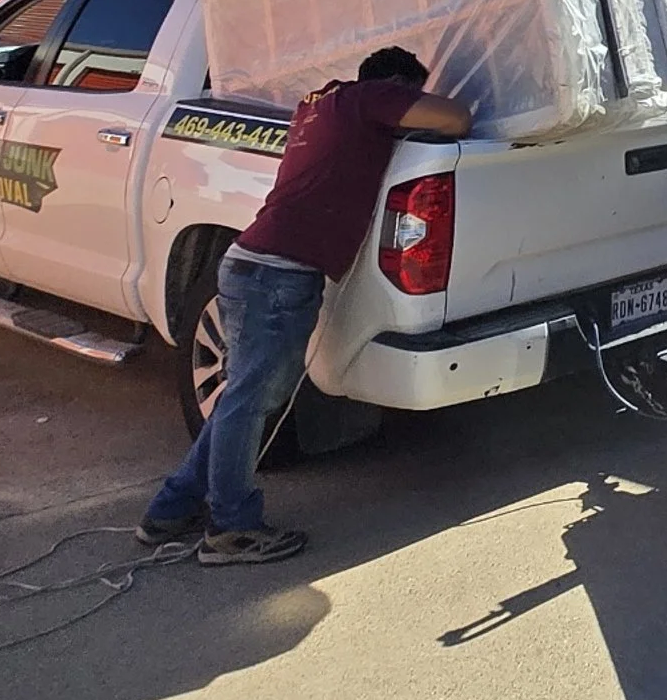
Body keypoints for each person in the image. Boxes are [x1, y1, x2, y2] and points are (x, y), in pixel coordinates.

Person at [139, 45, 471, 565]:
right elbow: (456, 118)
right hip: (276, 276)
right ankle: (230, 530)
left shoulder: (322, 104)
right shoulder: (370, 99)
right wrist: (417, 103)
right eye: (409, 95)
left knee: (243, 399)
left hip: (255, 264)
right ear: (394, 87)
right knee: (248, 402)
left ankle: (170, 509)